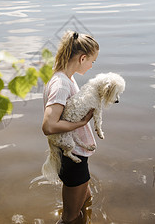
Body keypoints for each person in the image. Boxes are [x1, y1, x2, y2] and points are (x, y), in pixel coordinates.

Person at [42, 31, 99, 224]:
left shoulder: (66, 77)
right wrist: (81, 123)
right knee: (69, 218)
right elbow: (49, 125)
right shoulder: (62, 84)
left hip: (76, 154)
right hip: (72, 156)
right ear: (83, 58)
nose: (92, 65)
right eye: (92, 61)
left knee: (87, 199)